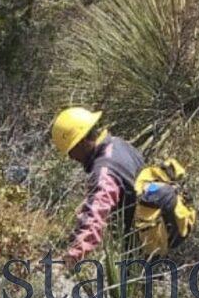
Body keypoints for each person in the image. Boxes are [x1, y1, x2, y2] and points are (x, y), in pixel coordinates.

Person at [51, 107, 144, 269]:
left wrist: (70, 258)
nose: (71, 157)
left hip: (143, 250)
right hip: (161, 229)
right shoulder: (118, 144)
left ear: (82, 142)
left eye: (71, 150)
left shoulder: (104, 172)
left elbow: (95, 220)